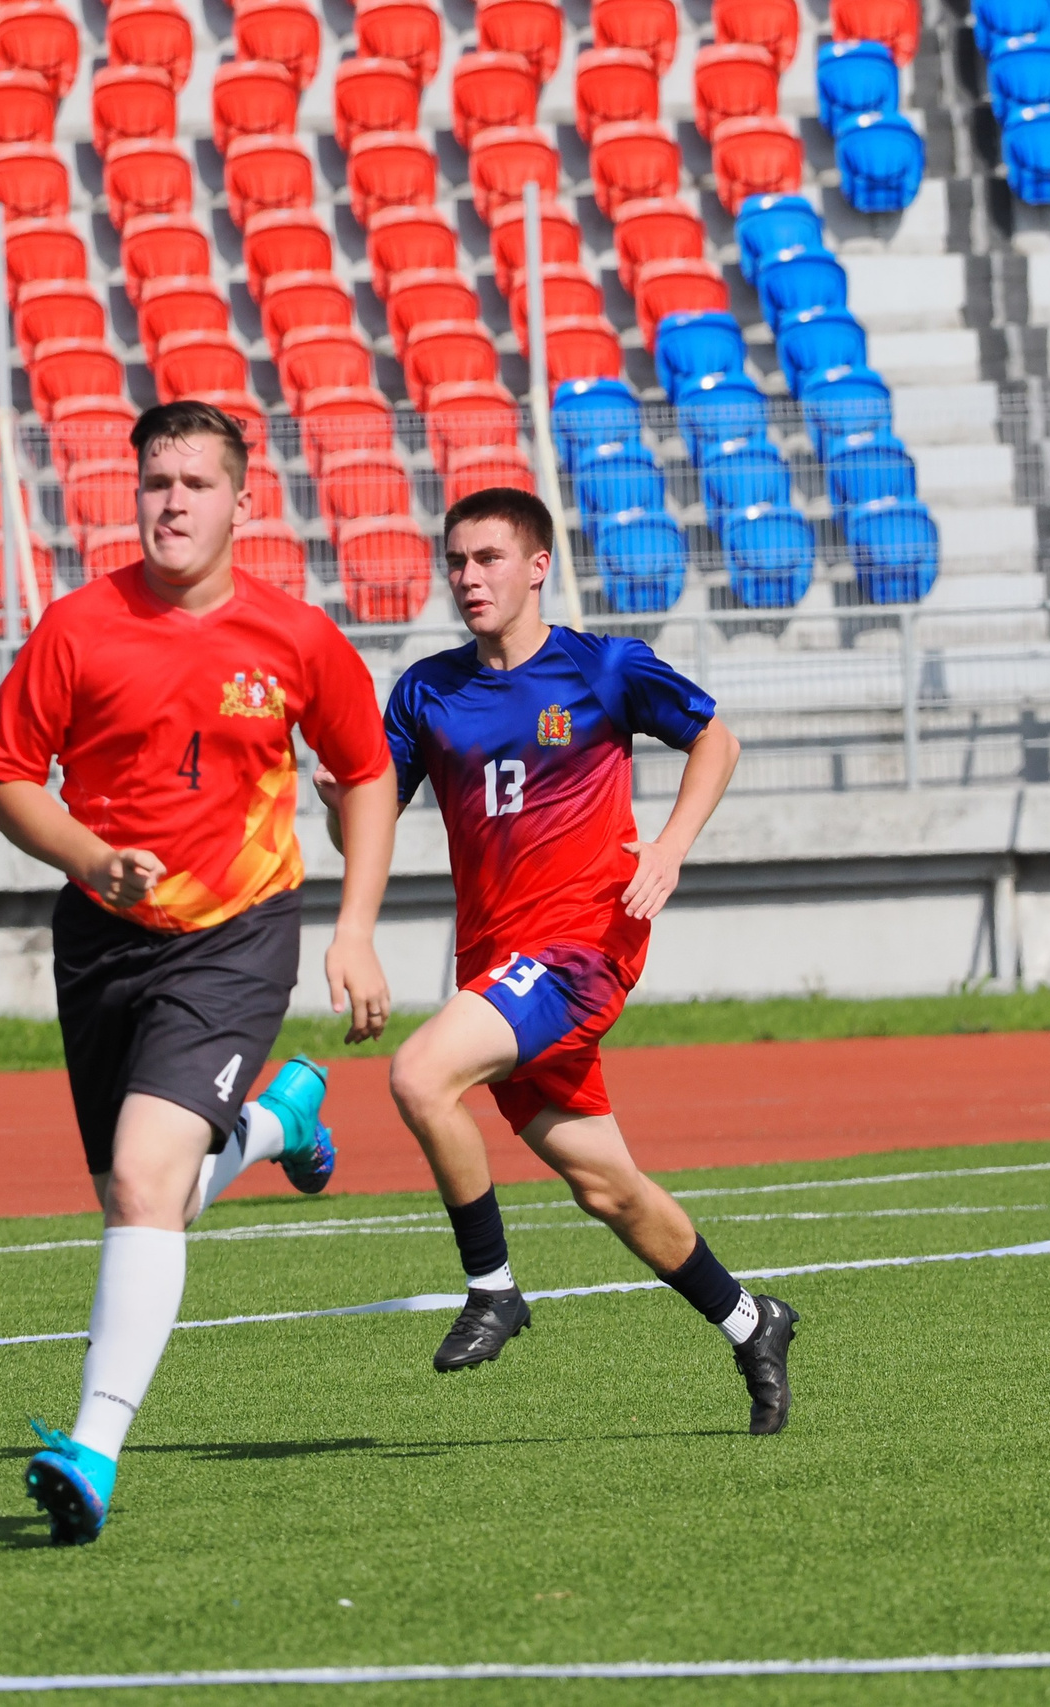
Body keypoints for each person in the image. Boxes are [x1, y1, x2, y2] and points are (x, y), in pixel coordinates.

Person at [0, 399, 399, 1544]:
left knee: (144, 1181)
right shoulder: (75, 628)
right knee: (138, 1194)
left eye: (196, 484)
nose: (173, 503)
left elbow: (366, 776)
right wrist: (90, 857)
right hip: (103, 938)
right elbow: (6, 777)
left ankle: (92, 1449)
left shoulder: (298, 638)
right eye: (156, 482)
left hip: (238, 932)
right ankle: (273, 1127)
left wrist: (353, 929)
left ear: (242, 503)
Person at [319, 487, 799, 1435]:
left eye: (488, 558)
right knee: (606, 1186)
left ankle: (493, 1288)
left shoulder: (603, 667)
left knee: (419, 1074)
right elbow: (366, 823)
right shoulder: (427, 689)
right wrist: (338, 789)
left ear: (538, 565)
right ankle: (753, 1321)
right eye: (455, 561)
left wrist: (667, 847)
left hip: (583, 948)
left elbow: (717, 738)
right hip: (499, 971)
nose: (468, 578)